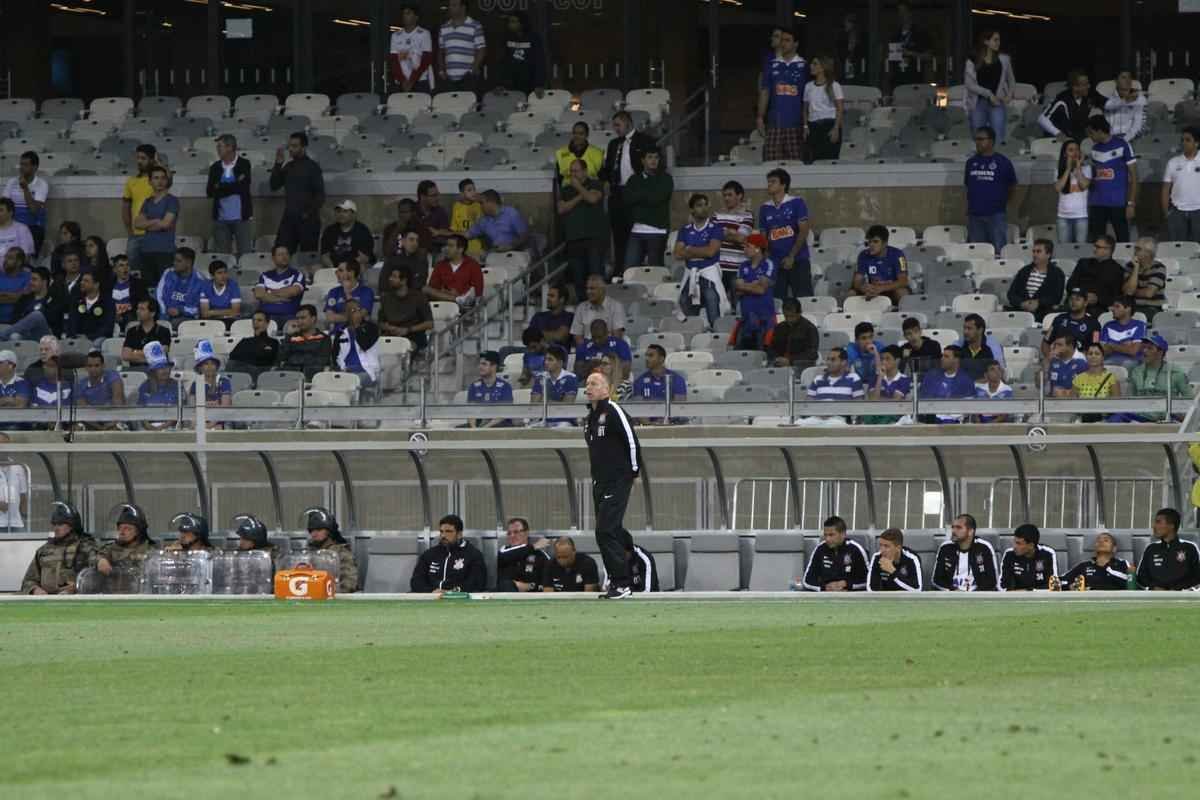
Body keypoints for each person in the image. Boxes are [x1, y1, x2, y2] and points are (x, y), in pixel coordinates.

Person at [584, 369, 642, 600]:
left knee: (604, 530)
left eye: (594, 383)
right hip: (600, 482)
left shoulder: (614, 411)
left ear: (606, 389)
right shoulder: (589, 418)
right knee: (613, 529)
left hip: (618, 480)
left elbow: (632, 441)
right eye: (587, 383)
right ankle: (631, 554)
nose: (588, 387)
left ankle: (620, 582)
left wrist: (633, 472)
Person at [601, 110, 655, 277]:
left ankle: (637, 271)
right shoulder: (613, 144)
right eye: (614, 126)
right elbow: (607, 168)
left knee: (638, 233)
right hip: (617, 193)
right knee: (618, 235)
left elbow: (654, 166)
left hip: (637, 192)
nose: (616, 129)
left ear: (628, 122)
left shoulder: (645, 140)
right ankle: (619, 271)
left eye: (618, 125)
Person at [673, 193, 727, 329]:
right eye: (699, 205)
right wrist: (700, 250)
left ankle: (716, 332)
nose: (703, 208)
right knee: (683, 300)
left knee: (712, 301)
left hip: (709, 273)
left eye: (705, 205)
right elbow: (678, 253)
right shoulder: (685, 230)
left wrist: (690, 249)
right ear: (692, 210)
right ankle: (691, 331)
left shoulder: (715, 228)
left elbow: (711, 252)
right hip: (691, 273)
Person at [758, 168, 812, 300]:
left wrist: (791, 256)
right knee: (776, 302)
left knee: (803, 300)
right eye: (768, 182)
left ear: (783, 185)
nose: (769, 184)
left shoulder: (796, 202)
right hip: (775, 263)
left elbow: (803, 230)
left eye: (773, 181)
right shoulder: (764, 208)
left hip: (798, 260)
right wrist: (766, 259)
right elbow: (764, 236)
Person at [557, 159, 607, 303]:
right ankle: (584, 308)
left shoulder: (596, 184)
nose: (573, 174)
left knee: (595, 278)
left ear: (585, 171)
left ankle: (599, 307)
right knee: (579, 280)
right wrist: (580, 196)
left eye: (576, 171)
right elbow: (561, 209)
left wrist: (578, 187)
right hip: (574, 240)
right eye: (571, 171)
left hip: (594, 240)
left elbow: (592, 199)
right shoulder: (566, 189)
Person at [20, 502, 97, 594]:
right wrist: (35, 590)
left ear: (72, 525)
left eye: (60, 524)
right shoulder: (44, 551)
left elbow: (97, 577)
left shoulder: (86, 547)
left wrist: (77, 587)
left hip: (76, 601)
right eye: (54, 524)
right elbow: (28, 581)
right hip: (45, 601)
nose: (56, 528)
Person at [964, 125, 1017, 256]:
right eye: (976, 139)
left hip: (996, 215)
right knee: (978, 254)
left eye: (981, 139)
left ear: (991, 141)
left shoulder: (1003, 162)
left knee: (999, 253)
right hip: (975, 216)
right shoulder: (971, 163)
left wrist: (1002, 203)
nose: (978, 142)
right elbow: (968, 185)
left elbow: (1012, 186)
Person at [757, 27, 808, 162]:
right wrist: (760, 117)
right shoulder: (771, 65)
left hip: (796, 124)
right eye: (781, 40)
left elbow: (808, 98)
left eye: (787, 40)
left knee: (796, 165)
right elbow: (765, 91)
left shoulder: (805, 66)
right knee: (771, 163)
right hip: (774, 123)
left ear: (796, 44)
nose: (783, 43)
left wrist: (806, 124)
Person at [269, 132, 325, 253]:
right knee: (281, 253)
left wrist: (308, 213)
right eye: (289, 146)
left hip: (308, 221)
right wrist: (278, 164)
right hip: (289, 219)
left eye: (294, 146)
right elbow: (274, 185)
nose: (290, 149)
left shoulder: (312, 167)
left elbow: (320, 196)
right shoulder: (288, 166)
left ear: (303, 147)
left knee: (307, 258)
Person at [1086, 117, 1138, 243]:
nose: (1089, 136)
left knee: (1123, 241)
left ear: (1099, 131)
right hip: (1097, 204)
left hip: (1118, 203)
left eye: (1091, 132)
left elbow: (1134, 177)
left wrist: (1131, 203)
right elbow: (1093, 177)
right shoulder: (1094, 149)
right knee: (1097, 242)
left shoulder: (1123, 145)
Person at [1121, 334, 1193, 422]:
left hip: (1166, 418)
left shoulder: (1176, 372)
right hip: (1140, 416)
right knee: (1117, 417)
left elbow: (1190, 400)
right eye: (1143, 347)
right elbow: (1129, 399)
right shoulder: (1136, 371)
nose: (1144, 351)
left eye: (1149, 348)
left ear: (1160, 352)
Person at [410, 513, 486, 594]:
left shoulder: (473, 555)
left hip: (459, 599)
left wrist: (451, 592)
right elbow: (416, 580)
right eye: (441, 531)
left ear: (459, 534)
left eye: (448, 531)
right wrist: (431, 591)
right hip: (431, 596)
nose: (443, 535)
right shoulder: (429, 554)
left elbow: (477, 583)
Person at [623, 149, 673, 268]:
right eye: (650, 157)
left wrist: (639, 195)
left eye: (656, 157)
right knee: (630, 269)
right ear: (643, 160)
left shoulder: (666, 179)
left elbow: (657, 198)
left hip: (657, 231)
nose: (653, 160)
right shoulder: (634, 179)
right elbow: (627, 199)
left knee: (655, 271)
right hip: (636, 230)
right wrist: (649, 192)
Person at [206, 134, 254, 257]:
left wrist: (220, 186)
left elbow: (243, 187)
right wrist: (234, 184)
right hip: (220, 219)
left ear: (230, 147)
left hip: (241, 218)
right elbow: (210, 191)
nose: (217, 149)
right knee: (222, 256)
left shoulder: (244, 164)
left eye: (220, 146)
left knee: (245, 255)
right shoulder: (215, 167)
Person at [964, 30, 1014, 143]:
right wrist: (988, 94)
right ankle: (980, 160)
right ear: (986, 41)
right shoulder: (973, 59)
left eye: (999, 40)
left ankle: (996, 160)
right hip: (978, 102)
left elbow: (1011, 80)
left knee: (998, 135)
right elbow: (969, 84)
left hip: (997, 101)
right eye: (995, 40)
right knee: (978, 137)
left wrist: (1009, 95)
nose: (998, 43)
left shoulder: (1004, 59)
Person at [133, 165, 179, 287]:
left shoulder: (172, 200)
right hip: (146, 250)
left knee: (165, 289)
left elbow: (165, 224)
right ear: (150, 181)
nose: (160, 181)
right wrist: (156, 221)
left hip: (165, 251)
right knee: (148, 289)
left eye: (163, 178)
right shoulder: (147, 202)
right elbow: (137, 224)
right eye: (156, 178)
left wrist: (147, 224)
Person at [1135, 508, 1200, 590]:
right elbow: (1141, 577)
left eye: (1158, 522)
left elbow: (1197, 577)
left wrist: (1178, 589)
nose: (1154, 526)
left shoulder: (1190, 548)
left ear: (1171, 526)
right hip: (1155, 597)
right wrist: (1154, 587)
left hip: (1182, 598)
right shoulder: (1151, 549)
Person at [800, 515, 869, 591]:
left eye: (831, 535)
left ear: (843, 534)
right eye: (825, 535)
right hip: (825, 596)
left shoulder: (856, 550)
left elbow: (868, 581)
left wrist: (847, 584)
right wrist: (825, 587)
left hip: (850, 596)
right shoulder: (820, 549)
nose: (827, 539)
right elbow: (807, 581)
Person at [733, 232, 777, 351]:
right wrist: (753, 285)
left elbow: (761, 290)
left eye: (748, 246)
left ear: (758, 249)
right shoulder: (743, 266)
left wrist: (744, 286)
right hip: (746, 318)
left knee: (762, 352)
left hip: (764, 319)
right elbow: (737, 290)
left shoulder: (768, 264)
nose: (744, 249)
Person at [931, 514, 998, 591]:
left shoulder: (984, 548)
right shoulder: (945, 548)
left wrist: (973, 594)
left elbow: (992, 581)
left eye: (958, 528)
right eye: (953, 527)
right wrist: (953, 591)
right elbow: (936, 580)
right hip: (951, 595)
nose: (953, 531)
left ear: (970, 531)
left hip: (977, 597)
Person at [120, 144, 157, 276]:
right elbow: (125, 208)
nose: (139, 161)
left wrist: (158, 164)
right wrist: (130, 232)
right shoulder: (131, 181)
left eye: (143, 158)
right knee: (133, 272)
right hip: (135, 236)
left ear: (152, 159)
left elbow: (168, 179)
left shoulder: (158, 181)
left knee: (153, 271)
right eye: (138, 158)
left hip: (154, 235)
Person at [1007, 239, 1065, 322]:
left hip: (1044, 314)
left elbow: (1056, 297)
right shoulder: (1024, 271)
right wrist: (1021, 303)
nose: (1034, 254)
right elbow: (1011, 294)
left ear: (1048, 254)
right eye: (1033, 251)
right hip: (1021, 313)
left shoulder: (1057, 273)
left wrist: (1039, 302)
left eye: (1038, 251)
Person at [303, 507, 359, 593]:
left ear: (329, 531)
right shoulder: (308, 553)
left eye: (318, 529)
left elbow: (349, 583)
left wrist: (330, 593)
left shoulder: (341, 553)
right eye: (311, 530)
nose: (314, 533)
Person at [1039, 70, 1107, 141]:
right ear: (1075, 87)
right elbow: (1042, 119)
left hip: (1076, 135)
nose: (1089, 86)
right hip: (1058, 138)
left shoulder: (1089, 94)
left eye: (1088, 83)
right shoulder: (1062, 99)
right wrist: (1057, 133)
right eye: (1085, 84)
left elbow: (1109, 104)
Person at [1065, 236, 1125, 317]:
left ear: (1108, 250)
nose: (1094, 249)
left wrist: (1098, 299)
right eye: (1095, 246)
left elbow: (1116, 296)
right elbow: (1070, 285)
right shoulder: (1083, 263)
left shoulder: (1117, 270)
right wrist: (1081, 295)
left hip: (1098, 308)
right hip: (1075, 302)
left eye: (1098, 247)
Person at [377, 268, 433, 354]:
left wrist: (407, 330)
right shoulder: (386, 298)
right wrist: (388, 327)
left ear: (404, 281)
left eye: (394, 277)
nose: (390, 279)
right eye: (391, 276)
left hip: (413, 336)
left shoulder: (419, 297)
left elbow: (429, 323)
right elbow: (380, 323)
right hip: (391, 336)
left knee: (405, 349)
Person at [0, 266, 64, 341]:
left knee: (37, 315)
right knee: (14, 336)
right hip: (27, 334)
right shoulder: (25, 298)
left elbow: (53, 320)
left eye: (34, 279)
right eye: (30, 279)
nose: (31, 282)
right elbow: (14, 319)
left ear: (44, 282)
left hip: (47, 336)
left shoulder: (55, 298)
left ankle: (1, 335)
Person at [4, 151, 48, 256]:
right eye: (21, 164)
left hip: (32, 227)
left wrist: (25, 189)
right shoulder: (12, 182)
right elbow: (4, 206)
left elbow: (33, 210)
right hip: (12, 225)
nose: (21, 168)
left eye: (25, 165)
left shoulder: (41, 184)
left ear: (35, 167)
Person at [96, 504, 156, 580]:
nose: (122, 532)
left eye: (127, 529)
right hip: (112, 589)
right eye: (120, 528)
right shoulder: (110, 548)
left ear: (137, 532)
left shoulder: (149, 550)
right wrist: (101, 560)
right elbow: (94, 556)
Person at [851, 225, 909, 304]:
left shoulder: (898, 255)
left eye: (875, 241)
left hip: (891, 290)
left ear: (885, 243)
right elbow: (857, 281)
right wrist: (863, 288)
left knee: (902, 293)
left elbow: (903, 281)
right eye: (869, 241)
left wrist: (881, 288)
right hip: (872, 290)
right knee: (850, 294)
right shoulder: (863, 255)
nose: (871, 245)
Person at [425, 234, 484, 313]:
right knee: (424, 288)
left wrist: (459, 293)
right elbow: (433, 288)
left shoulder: (473, 265)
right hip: (442, 303)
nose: (446, 249)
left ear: (460, 249)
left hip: (464, 306)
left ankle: (459, 299)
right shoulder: (440, 265)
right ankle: (457, 299)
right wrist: (448, 294)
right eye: (446, 245)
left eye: (450, 246)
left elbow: (477, 292)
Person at [632, 343, 688, 425]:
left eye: (651, 355)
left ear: (661, 359)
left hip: (672, 425)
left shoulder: (677, 379)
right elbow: (638, 408)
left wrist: (663, 422)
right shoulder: (639, 381)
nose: (647, 358)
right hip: (647, 426)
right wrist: (650, 425)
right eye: (646, 356)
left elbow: (679, 407)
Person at [254, 244, 307, 331]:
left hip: (289, 316)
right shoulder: (264, 275)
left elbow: (292, 291)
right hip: (266, 316)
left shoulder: (297, 274)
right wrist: (280, 299)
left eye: (286, 254)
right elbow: (259, 294)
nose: (284, 257)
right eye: (280, 254)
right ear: (273, 258)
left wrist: (269, 293)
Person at [437, 0, 486, 93]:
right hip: (449, 79)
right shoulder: (444, 27)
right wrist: (441, 70)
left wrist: (472, 70)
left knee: (469, 106)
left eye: (454, 5)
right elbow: (441, 51)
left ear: (463, 8)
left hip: (468, 78)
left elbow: (481, 50)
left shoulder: (475, 25)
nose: (450, 8)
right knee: (451, 107)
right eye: (450, 5)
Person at [714, 181, 755, 291]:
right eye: (724, 195)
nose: (726, 198)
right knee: (720, 305)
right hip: (718, 268)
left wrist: (722, 232)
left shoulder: (747, 216)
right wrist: (731, 232)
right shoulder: (717, 215)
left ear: (739, 195)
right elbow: (711, 235)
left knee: (736, 304)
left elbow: (741, 238)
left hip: (737, 269)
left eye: (730, 195)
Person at [803, 56, 844, 163]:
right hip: (813, 126)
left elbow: (839, 109)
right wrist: (805, 126)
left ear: (823, 68)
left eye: (815, 64)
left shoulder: (834, 86)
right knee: (814, 159)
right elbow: (805, 109)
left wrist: (836, 128)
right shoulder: (808, 86)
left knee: (829, 159)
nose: (811, 66)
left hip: (829, 124)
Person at [1057, 531, 1131, 590]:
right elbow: (1059, 581)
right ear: (1094, 547)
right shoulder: (1084, 565)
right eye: (1098, 540)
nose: (1101, 542)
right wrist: (1069, 587)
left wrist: (1107, 568)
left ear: (1114, 548)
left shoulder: (1122, 563)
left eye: (1106, 540)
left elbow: (1131, 583)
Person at [919, 346, 975, 423]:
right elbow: (923, 399)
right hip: (929, 419)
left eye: (946, 356)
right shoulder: (931, 375)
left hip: (953, 423)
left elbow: (967, 408)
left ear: (956, 360)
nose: (942, 359)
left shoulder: (966, 380)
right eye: (942, 356)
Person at [495, 11, 545, 97]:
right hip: (510, 83)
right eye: (509, 21)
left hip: (530, 82)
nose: (510, 24)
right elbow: (502, 61)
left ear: (522, 23)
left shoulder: (533, 37)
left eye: (514, 22)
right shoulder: (506, 37)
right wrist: (500, 83)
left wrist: (539, 84)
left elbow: (539, 61)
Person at [1163, 127, 1200, 244]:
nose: (1184, 143)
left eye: (1188, 140)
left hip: (1198, 211)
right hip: (1176, 212)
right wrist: (1166, 212)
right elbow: (1165, 189)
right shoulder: (1173, 162)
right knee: (1178, 248)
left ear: (1197, 143)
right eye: (1182, 140)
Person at [277, 305, 333, 379]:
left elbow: (322, 361)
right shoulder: (291, 337)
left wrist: (294, 360)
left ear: (313, 319)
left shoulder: (324, 338)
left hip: (313, 378)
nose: (299, 321)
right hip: (291, 377)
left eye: (303, 318)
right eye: (297, 318)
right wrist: (288, 336)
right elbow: (281, 357)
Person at [334, 299, 380, 388]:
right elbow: (335, 355)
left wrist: (357, 327)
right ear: (346, 314)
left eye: (359, 309)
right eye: (353, 311)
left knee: (350, 381)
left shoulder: (372, 328)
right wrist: (341, 369)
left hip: (366, 370)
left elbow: (365, 345)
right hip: (345, 371)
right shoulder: (341, 332)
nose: (357, 313)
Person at [156, 247, 205, 329]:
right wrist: (165, 311)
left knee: (174, 323)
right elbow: (159, 295)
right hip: (165, 313)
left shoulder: (200, 281)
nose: (174, 263)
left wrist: (180, 310)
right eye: (174, 260)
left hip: (187, 318)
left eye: (178, 261)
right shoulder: (168, 273)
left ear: (189, 263)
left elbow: (199, 309)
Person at [466, 190, 529, 254]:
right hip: (496, 255)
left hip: (516, 254)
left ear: (492, 202)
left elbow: (525, 236)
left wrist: (510, 246)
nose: (480, 206)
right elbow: (467, 235)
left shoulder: (511, 213)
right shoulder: (484, 221)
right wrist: (456, 235)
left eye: (482, 203)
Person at [495, 517, 549, 592]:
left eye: (516, 532)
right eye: (509, 533)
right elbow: (502, 557)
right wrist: (533, 547)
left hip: (532, 597)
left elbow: (547, 583)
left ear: (526, 533)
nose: (512, 536)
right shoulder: (504, 551)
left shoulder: (540, 555)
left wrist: (530, 586)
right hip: (506, 596)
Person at [389, 4, 434, 92]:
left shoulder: (424, 34)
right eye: (403, 14)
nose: (404, 16)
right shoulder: (395, 36)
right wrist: (403, 80)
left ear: (416, 17)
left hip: (420, 81)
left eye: (408, 13)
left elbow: (426, 59)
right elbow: (394, 60)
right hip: (402, 82)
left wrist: (412, 80)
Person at [570, 274, 626, 346]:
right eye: (587, 289)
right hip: (588, 350)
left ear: (602, 290)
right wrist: (587, 351)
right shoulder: (581, 308)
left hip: (609, 351)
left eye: (592, 289)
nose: (588, 292)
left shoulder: (616, 306)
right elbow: (577, 337)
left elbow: (617, 337)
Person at [807, 347, 865, 416]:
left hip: (841, 421)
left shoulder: (854, 378)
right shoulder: (818, 379)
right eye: (827, 359)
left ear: (843, 362)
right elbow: (807, 405)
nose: (828, 362)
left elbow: (859, 406)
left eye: (833, 360)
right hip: (817, 419)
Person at [886, 2, 932, 89]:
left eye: (904, 12)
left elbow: (928, 56)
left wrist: (910, 53)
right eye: (899, 13)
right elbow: (890, 59)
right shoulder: (894, 35)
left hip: (915, 82)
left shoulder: (920, 34)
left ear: (910, 14)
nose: (901, 16)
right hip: (897, 82)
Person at [1054, 139, 1091, 244]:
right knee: (1064, 250)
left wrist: (1078, 167)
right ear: (1065, 154)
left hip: (1082, 216)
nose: (1074, 153)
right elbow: (1058, 188)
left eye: (1077, 150)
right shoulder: (1058, 171)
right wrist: (1068, 169)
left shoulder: (1087, 169)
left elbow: (1084, 185)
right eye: (1071, 150)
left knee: (1081, 250)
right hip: (1063, 217)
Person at [999, 524, 1057, 591]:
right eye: (1014, 542)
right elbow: (1002, 586)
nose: (1014, 546)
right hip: (1014, 598)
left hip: (1040, 598)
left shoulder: (1048, 554)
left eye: (1018, 543)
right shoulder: (1009, 554)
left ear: (1031, 545)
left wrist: (1029, 591)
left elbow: (1052, 585)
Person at [530, 345, 578, 426]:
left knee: (563, 426)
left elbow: (567, 405)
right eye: (545, 359)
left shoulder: (570, 378)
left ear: (560, 363)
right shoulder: (540, 377)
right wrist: (557, 402)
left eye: (550, 360)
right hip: (543, 419)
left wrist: (545, 401)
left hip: (564, 420)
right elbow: (534, 403)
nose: (546, 362)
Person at [320, 200, 374, 270]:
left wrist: (346, 268)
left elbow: (364, 257)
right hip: (333, 267)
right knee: (314, 269)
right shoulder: (329, 231)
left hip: (354, 267)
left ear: (353, 214)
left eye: (345, 211)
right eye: (338, 211)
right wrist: (332, 268)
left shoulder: (363, 231)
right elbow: (324, 255)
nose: (341, 214)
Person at [1121, 236, 1166, 322]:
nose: (1134, 251)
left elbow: (1149, 293)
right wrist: (1136, 268)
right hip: (1131, 306)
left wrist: (1132, 292)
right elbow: (1127, 291)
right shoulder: (1130, 266)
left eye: (1138, 249)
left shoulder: (1159, 268)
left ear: (1148, 253)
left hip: (1151, 308)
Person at [75, 350, 125, 426]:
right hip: (91, 421)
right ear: (86, 367)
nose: (93, 369)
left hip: (113, 419)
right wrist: (99, 427)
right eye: (90, 366)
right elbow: (84, 410)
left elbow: (118, 403)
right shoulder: (81, 384)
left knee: (118, 426)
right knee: (78, 427)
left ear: (103, 366)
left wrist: (110, 425)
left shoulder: (113, 377)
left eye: (97, 365)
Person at [137, 341, 179, 429]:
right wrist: (149, 427)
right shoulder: (144, 387)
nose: (165, 370)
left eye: (166, 367)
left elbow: (179, 412)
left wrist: (162, 427)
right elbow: (140, 412)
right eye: (160, 368)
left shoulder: (177, 386)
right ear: (153, 371)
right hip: (148, 428)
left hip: (171, 428)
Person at [467, 351, 513, 428]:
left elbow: (503, 414)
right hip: (479, 424)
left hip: (499, 425)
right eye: (480, 364)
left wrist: (484, 429)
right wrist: (474, 428)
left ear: (494, 366)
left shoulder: (505, 387)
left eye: (484, 364)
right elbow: (471, 412)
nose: (480, 367)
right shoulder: (474, 386)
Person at [227, 311, 280, 379]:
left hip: (263, 372)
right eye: (254, 320)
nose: (255, 322)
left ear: (267, 323)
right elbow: (233, 357)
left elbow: (271, 359)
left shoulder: (273, 342)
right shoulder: (245, 341)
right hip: (244, 372)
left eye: (259, 320)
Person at [767, 298, 818, 368]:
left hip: (800, 366)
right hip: (779, 364)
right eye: (786, 316)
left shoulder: (810, 328)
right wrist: (776, 358)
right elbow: (771, 348)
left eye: (792, 316)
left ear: (799, 313)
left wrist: (790, 360)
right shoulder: (779, 327)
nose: (788, 320)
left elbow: (812, 353)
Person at [65, 272, 114, 346]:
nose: (82, 283)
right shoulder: (77, 301)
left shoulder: (107, 302)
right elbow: (71, 322)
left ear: (96, 285)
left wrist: (88, 337)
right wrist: (74, 336)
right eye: (82, 280)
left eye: (86, 281)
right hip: (78, 339)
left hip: (97, 340)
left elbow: (108, 327)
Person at [120, 298, 171, 368]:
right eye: (138, 309)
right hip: (136, 370)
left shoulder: (163, 331)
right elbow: (126, 355)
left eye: (142, 309)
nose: (138, 311)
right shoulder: (131, 331)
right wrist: (151, 356)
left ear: (152, 313)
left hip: (157, 370)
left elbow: (161, 354)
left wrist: (135, 352)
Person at [324, 260, 375, 328]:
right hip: (337, 333)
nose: (336, 273)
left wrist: (347, 293)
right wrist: (350, 316)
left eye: (340, 270)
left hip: (358, 333)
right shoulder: (333, 292)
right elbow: (330, 318)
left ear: (351, 273)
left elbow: (358, 317)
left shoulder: (366, 292)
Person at [191, 339, 232, 424]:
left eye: (212, 363)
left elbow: (225, 408)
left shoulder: (224, 382)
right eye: (206, 364)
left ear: (216, 366)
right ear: (200, 368)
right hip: (201, 422)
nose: (210, 367)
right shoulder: (195, 384)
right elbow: (193, 408)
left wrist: (210, 425)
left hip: (221, 423)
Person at [379, 226, 428, 294]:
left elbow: (420, 284)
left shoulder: (421, 261)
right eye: (411, 239)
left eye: (417, 240)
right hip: (392, 296)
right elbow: (383, 283)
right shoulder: (392, 259)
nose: (415, 243)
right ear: (403, 241)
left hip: (413, 297)